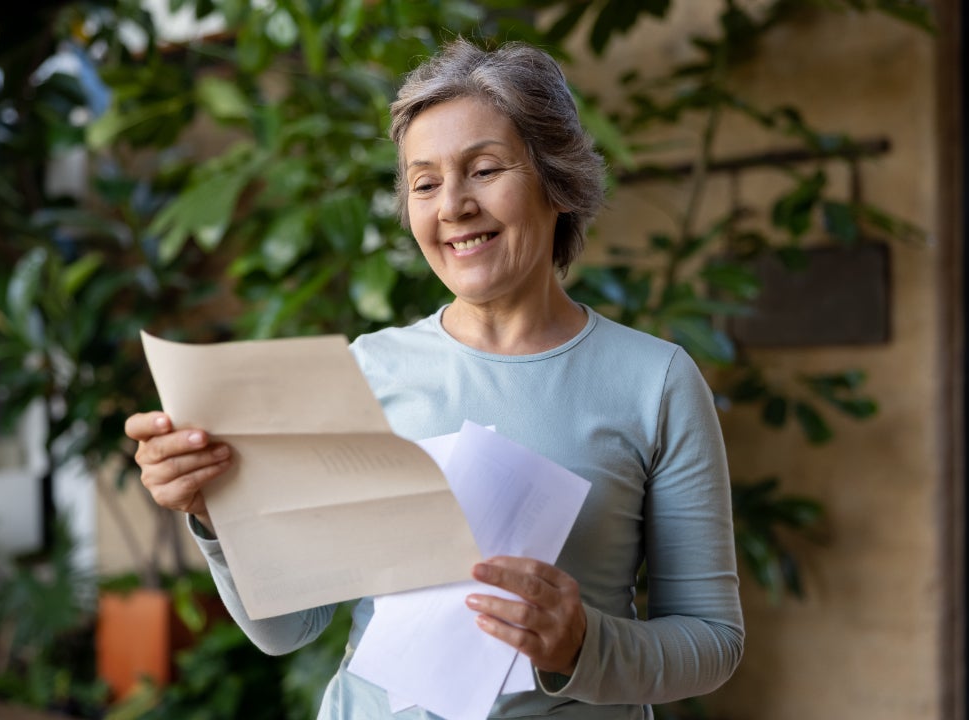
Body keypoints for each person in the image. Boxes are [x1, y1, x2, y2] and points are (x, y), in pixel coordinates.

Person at [125, 38, 743, 719]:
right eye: (423, 182)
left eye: (483, 170)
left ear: (557, 181)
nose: (452, 205)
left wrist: (582, 645)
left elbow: (712, 643)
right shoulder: (365, 371)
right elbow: (287, 629)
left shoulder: (654, 381)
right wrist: (215, 513)